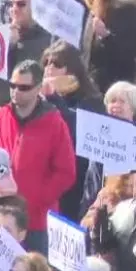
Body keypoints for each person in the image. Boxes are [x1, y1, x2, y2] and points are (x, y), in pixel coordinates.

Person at [0, 60, 75, 254]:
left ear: (38, 88)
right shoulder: (0, 116)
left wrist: (36, 199)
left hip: (35, 223)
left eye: (23, 87)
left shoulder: (54, 122)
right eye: (12, 85)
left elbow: (66, 173)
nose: (15, 91)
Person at [40, 40, 104, 223]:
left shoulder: (91, 100)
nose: (49, 68)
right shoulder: (40, 97)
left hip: (75, 183)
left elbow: (80, 130)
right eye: (46, 63)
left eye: (57, 64)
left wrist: (54, 99)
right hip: (47, 180)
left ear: (72, 69)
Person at [79, 82, 136, 220]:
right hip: (101, 212)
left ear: (133, 108)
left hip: (131, 213)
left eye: (122, 101)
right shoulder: (99, 139)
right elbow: (91, 184)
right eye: (112, 101)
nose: (116, 105)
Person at [0, 0, 51, 105]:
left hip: (34, 112)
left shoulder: (48, 38)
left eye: (21, 4)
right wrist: (5, 44)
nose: (14, 9)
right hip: (3, 108)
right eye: (11, 4)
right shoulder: (3, 34)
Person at [83, 0, 136, 92]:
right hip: (91, 84)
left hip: (116, 88)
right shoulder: (95, 3)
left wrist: (106, 37)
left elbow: (131, 54)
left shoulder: (133, 6)